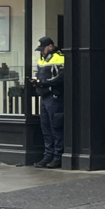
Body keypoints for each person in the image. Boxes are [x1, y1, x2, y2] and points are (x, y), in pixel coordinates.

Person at [33, 35, 66, 168]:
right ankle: (48, 155)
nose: (41, 51)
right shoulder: (42, 59)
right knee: (45, 127)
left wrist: (43, 82)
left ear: (50, 46)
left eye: (43, 48)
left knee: (56, 127)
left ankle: (57, 156)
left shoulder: (60, 57)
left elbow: (61, 77)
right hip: (44, 96)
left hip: (54, 96)